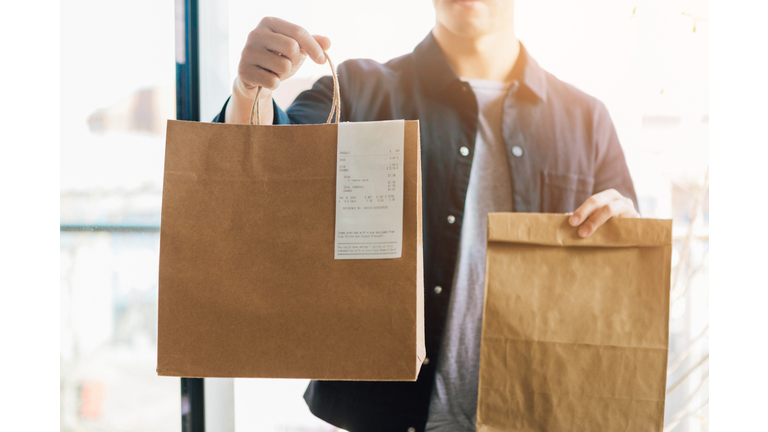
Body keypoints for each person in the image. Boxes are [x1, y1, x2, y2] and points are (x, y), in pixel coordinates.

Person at [214, 0, 640, 430]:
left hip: (539, 417)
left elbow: (627, 293)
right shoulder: (359, 88)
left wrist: (627, 237)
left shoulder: (587, 120)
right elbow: (265, 182)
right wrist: (251, 92)